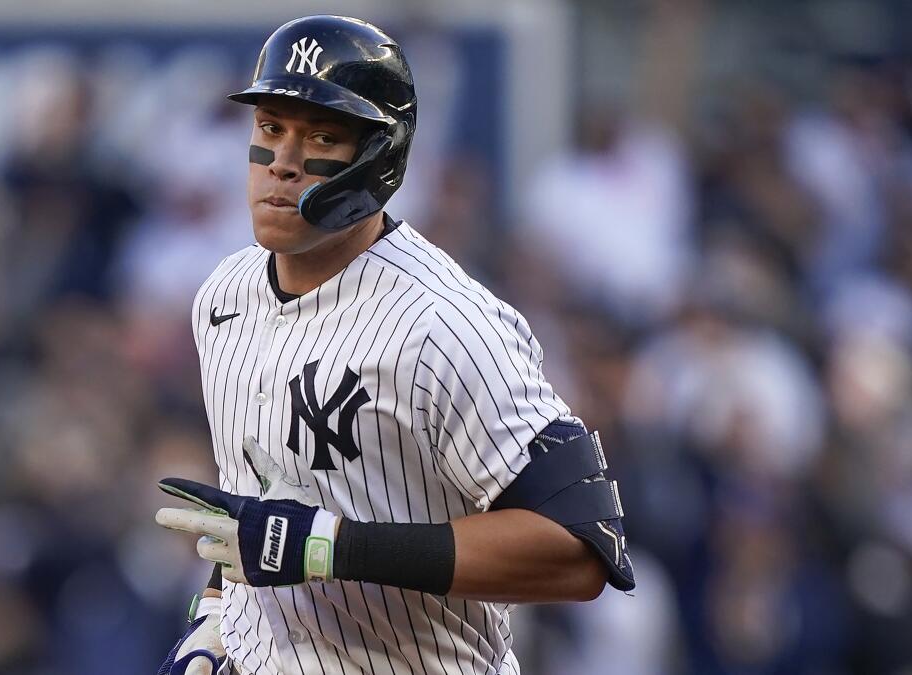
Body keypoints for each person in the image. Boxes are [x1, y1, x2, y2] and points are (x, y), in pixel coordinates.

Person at [154, 15, 635, 675]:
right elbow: (261, 510)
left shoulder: (445, 324)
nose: (284, 163)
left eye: (321, 135)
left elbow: (580, 548)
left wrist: (333, 546)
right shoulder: (224, 296)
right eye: (271, 129)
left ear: (378, 157)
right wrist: (213, 625)